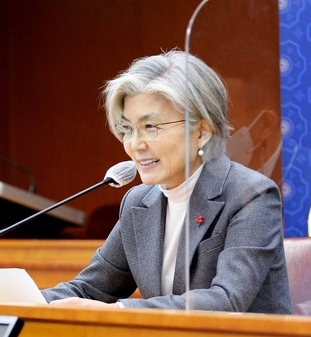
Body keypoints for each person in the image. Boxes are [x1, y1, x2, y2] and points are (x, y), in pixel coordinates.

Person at [41, 51, 292, 314]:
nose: (135, 144)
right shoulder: (139, 203)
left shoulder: (250, 195)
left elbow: (226, 301)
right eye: (127, 129)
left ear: (202, 132)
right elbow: (88, 290)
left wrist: (119, 311)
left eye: (151, 127)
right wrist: (15, 299)